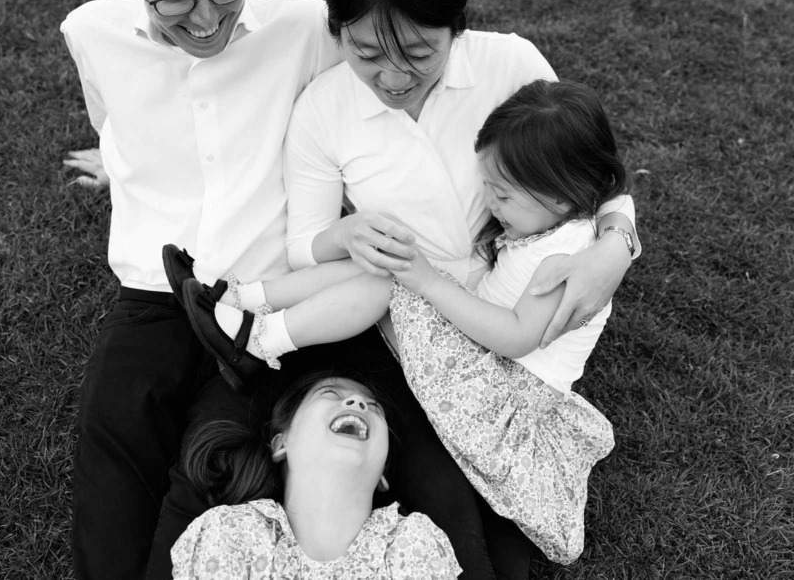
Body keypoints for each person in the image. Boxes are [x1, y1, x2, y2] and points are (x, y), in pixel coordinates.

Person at [158, 0, 643, 577]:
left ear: (458, 27)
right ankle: (240, 312)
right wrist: (342, 234)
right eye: (365, 53)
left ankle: (250, 323)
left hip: (479, 325)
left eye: (418, 53)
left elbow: (591, 172)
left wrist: (615, 249)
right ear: (338, 34)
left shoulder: (512, 65)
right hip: (399, 324)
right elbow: (306, 244)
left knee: (469, 528)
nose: (391, 77)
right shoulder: (325, 111)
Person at [174, 79, 623, 563]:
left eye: (502, 195)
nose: (491, 204)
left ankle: (259, 340)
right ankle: (238, 298)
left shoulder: (567, 253)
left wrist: (429, 283)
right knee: (381, 262)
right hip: (483, 367)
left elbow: (516, 337)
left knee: (392, 282)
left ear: (560, 198)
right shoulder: (555, 223)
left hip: (501, 394)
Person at [60, 0, 340, 580]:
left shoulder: (309, 31)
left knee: (219, 476)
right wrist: (118, 162)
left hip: (263, 306)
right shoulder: (90, 34)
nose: (207, 18)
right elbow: (114, 118)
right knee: (112, 453)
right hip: (151, 296)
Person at [171, 372, 461, 578]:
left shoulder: (412, 543)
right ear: (282, 443)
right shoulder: (230, 533)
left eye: (374, 408)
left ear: (383, 473)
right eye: (330, 394)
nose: (358, 403)